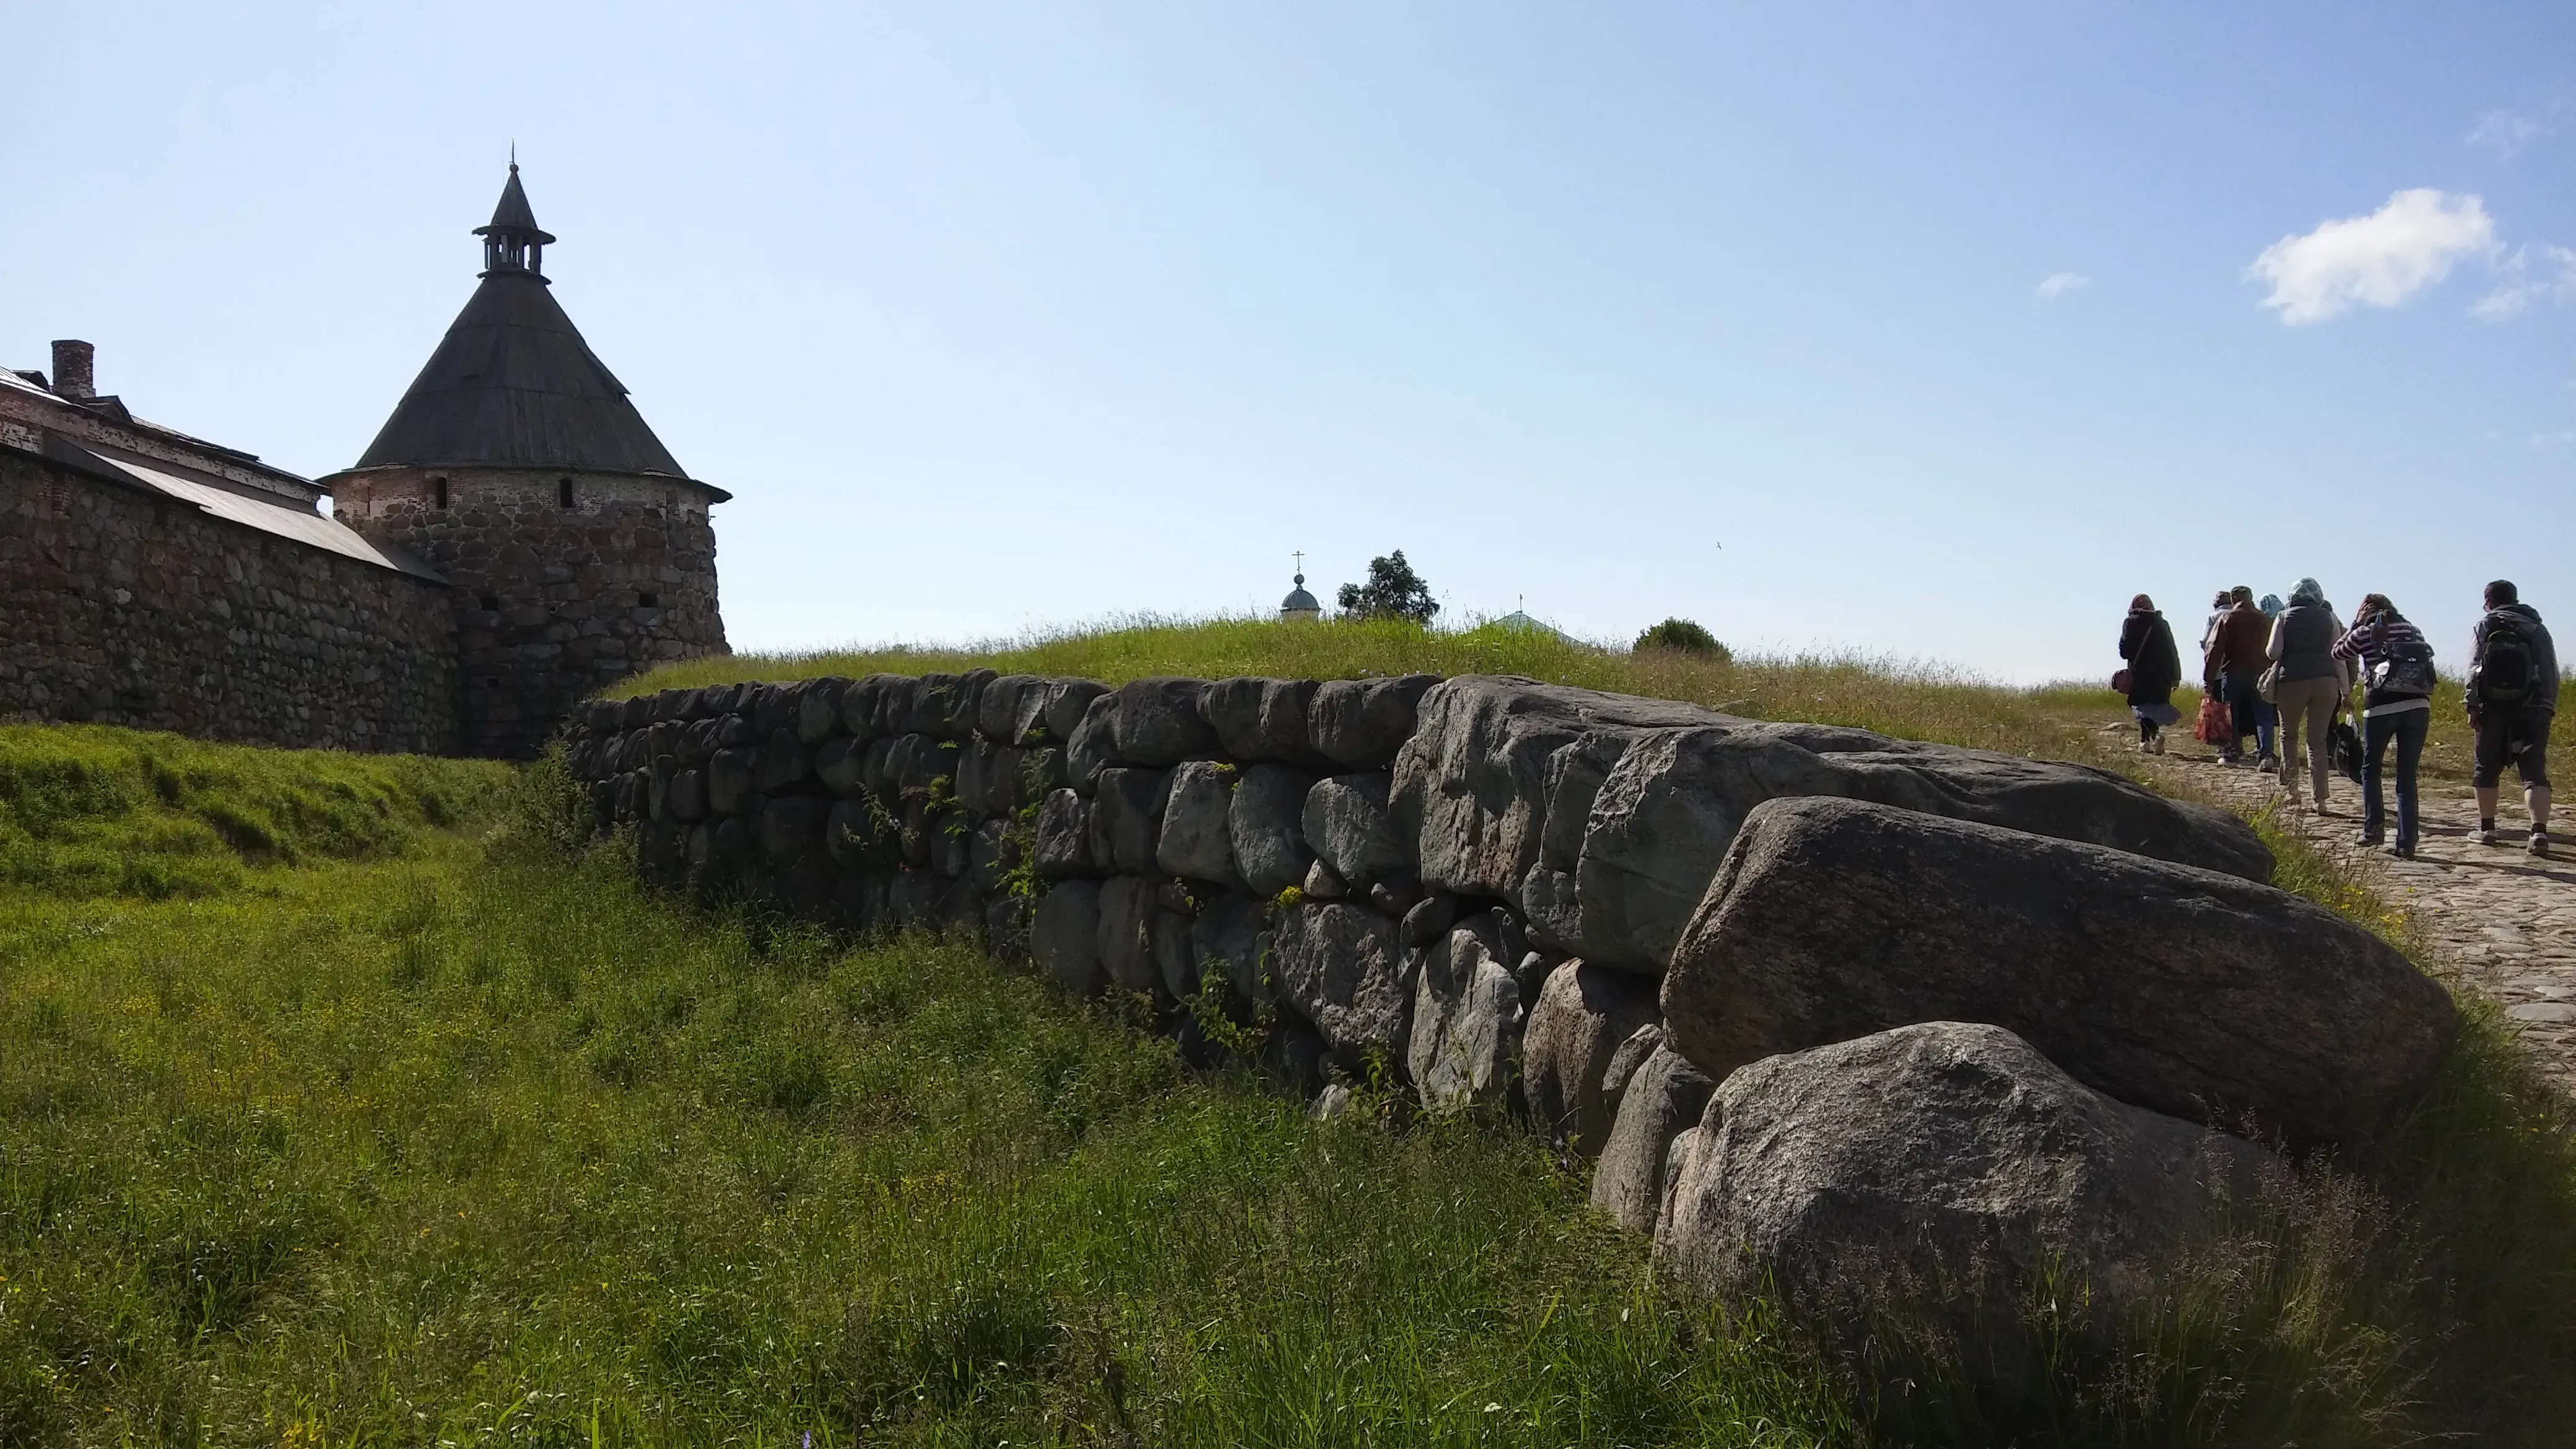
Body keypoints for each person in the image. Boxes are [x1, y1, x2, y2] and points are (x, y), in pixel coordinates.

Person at [2333, 594, 2434, 856]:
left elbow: (2338, 651)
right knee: (2407, 775)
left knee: (2371, 768)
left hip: (2380, 706)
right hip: (2418, 705)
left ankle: (2374, 830)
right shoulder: (2412, 629)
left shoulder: (2365, 632)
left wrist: (2356, 625)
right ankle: (2407, 842)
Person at [2466, 579, 2557, 856]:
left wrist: (2472, 705)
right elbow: (2551, 671)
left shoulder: (2486, 625)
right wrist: (2547, 707)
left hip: (2492, 708)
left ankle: (2487, 829)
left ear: (2489, 600)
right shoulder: (2538, 628)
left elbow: (2473, 668)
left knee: (2486, 767)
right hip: (2533, 707)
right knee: (2533, 771)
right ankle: (2538, 832)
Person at [2266, 578, 2345, 811]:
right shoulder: (2329, 618)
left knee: (2288, 736)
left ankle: (2293, 790)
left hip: (2292, 680)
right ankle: (2320, 798)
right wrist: (2346, 689)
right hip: (2326, 682)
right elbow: (2338, 655)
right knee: (2317, 741)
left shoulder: (2283, 616)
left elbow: (2273, 652)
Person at [2204, 586, 2275, 768]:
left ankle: (2231, 754)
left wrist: (2209, 678)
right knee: (2264, 715)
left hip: (2234, 671)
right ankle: (2266, 756)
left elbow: (2214, 649)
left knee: (2232, 714)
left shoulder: (2227, 618)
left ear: (2233, 599)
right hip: (2261, 673)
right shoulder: (2264, 619)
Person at [2118, 594, 2182, 752]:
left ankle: (2152, 737)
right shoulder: (2162, 624)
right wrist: (2176, 674)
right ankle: (2146, 740)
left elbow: (2125, 651)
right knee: (2155, 707)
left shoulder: (2131, 623)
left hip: (2141, 673)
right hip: (2163, 675)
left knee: (2140, 706)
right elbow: (2172, 650)